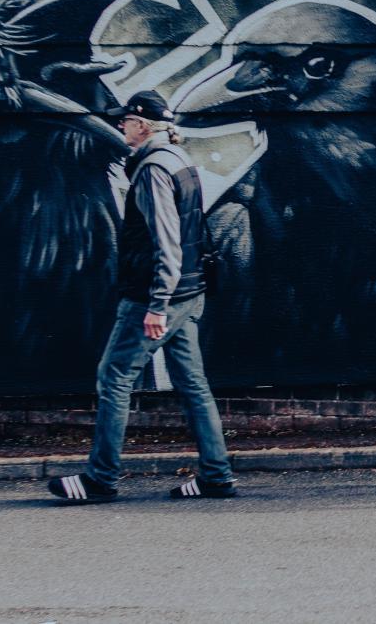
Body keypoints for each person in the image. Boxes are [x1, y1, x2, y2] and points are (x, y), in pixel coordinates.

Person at [48, 90, 237, 502]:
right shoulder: (180, 161)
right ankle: (216, 477)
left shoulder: (152, 169)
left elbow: (165, 243)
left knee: (114, 378)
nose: (121, 125)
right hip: (189, 292)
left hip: (157, 297)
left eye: (127, 121)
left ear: (145, 125)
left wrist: (156, 305)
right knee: (193, 385)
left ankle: (100, 479)